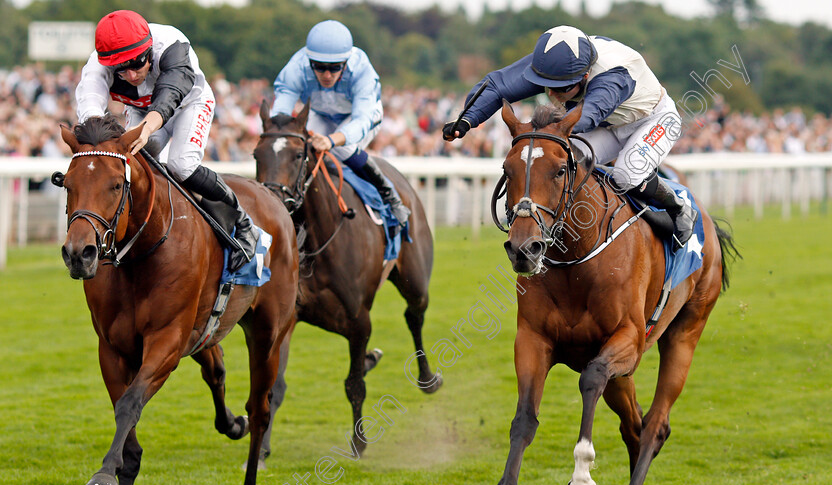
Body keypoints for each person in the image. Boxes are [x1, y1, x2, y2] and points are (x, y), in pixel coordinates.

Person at [443, 25, 698, 251]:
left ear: (585, 75)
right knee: (560, 161)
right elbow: (497, 84)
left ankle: (678, 209)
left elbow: (587, 116)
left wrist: (541, 128)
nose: (552, 93)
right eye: (546, 85)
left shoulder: (614, 74)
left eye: (561, 88)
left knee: (627, 175)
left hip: (654, 119)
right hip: (606, 125)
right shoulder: (555, 61)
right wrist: (467, 119)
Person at [75, 10, 258, 271]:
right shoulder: (98, 63)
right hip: (141, 111)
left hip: (188, 104)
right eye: (121, 69)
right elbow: (90, 109)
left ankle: (242, 221)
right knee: (130, 166)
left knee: (180, 165)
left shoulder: (172, 45)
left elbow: (169, 97)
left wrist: (147, 128)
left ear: (148, 49)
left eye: (137, 63)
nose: (131, 75)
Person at [270, 19, 410, 226]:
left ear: (345, 63)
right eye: (319, 67)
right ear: (309, 62)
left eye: (334, 68)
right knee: (299, 148)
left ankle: (389, 194)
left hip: (361, 116)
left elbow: (361, 120)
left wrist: (332, 140)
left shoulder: (362, 69)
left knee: (343, 149)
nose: (327, 75)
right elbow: (280, 112)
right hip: (322, 114)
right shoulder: (296, 67)